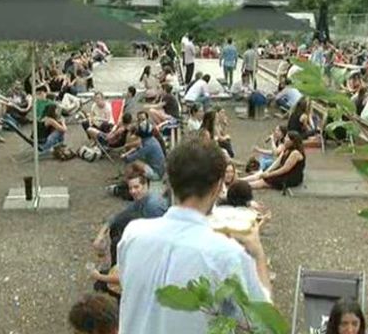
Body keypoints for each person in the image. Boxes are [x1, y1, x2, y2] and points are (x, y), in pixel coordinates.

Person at [117, 139, 272, 334]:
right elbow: (265, 326)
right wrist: (257, 255)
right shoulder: (227, 255)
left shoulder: (133, 234)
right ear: (217, 187)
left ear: (170, 183)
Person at [94, 170, 167, 267]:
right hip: (146, 235)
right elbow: (119, 216)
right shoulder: (140, 200)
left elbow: (157, 238)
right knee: (117, 226)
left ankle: (119, 271)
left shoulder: (153, 206)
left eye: (136, 187)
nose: (133, 191)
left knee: (119, 241)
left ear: (146, 186)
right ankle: (116, 268)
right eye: (130, 188)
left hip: (156, 247)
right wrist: (100, 235)